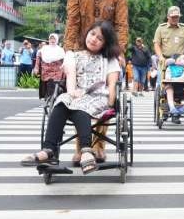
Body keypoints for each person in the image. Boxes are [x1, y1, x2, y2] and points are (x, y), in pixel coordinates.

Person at [20, 21, 121, 174]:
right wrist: (73, 92)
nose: (94, 39)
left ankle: (86, 150)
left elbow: (112, 84)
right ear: (87, 34)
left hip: (99, 97)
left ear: (105, 43)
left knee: (80, 105)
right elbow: (71, 79)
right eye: (92, 34)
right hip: (77, 94)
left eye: (100, 38)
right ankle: (49, 150)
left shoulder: (110, 60)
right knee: (61, 101)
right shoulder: (73, 55)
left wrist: (111, 104)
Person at [64, 0, 129, 164]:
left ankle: (99, 144)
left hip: (107, 51)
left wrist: (119, 52)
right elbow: (72, 23)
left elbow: (121, 26)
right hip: (81, 49)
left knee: (104, 93)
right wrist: (69, 53)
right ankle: (80, 146)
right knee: (78, 95)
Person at [153, 5, 184, 123]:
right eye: (173, 17)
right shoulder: (161, 29)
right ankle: (165, 110)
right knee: (164, 85)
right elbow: (156, 44)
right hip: (166, 61)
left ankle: (176, 113)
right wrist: (161, 58)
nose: (175, 19)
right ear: (168, 17)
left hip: (180, 62)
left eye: (177, 17)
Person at [33, 33, 66, 99]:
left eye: (54, 39)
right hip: (46, 72)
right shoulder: (44, 49)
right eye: (51, 39)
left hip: (57, 72)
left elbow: (64, 61)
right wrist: (36, 68)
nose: (52, 40)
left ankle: (56, 98)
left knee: (57, 85)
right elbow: (38, 59)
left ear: (57, 40)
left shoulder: (61, 50)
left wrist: (65, 70)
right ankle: (48, 98)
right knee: (47, 86)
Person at [164, 53, 184, 122]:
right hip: (172, 86)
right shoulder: (169, 68)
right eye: (179, 58)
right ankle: (172, 107)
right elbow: (167, 77)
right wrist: (170, 79)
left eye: (183, 59)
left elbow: (183, 78)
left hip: (182, 87)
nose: (181, 59)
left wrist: (173, 79)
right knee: (169, 88)